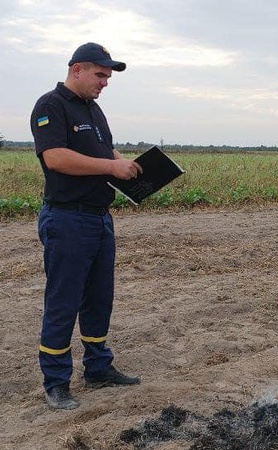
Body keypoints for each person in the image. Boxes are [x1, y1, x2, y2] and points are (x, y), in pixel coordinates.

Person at [30, 42, 143, 410]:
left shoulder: (94, 111)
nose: (105, 83)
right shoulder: (51, 105)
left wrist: (122, 162)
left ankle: (98, 368)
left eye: (108, 77)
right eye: (100, 75)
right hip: (67, 218)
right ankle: (57, 382)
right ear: (77, 69)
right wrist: (111, 168)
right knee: (63, 301)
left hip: (98, 219)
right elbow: (56, 157)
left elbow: (103, 152)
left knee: (99, 298)